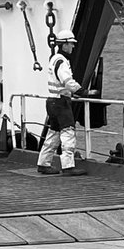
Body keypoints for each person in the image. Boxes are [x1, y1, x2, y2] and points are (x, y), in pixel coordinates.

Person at [36, 28, 88, 176]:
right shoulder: (62, 61)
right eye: (71, 44)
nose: (73, 47)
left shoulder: (54, 59)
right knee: (68, 133)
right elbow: (67, 81)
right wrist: (81, 91)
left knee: (53, 134)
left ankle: (43, 163)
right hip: (61, 104)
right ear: (64, 44)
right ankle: (68, 167)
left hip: (52, 101)